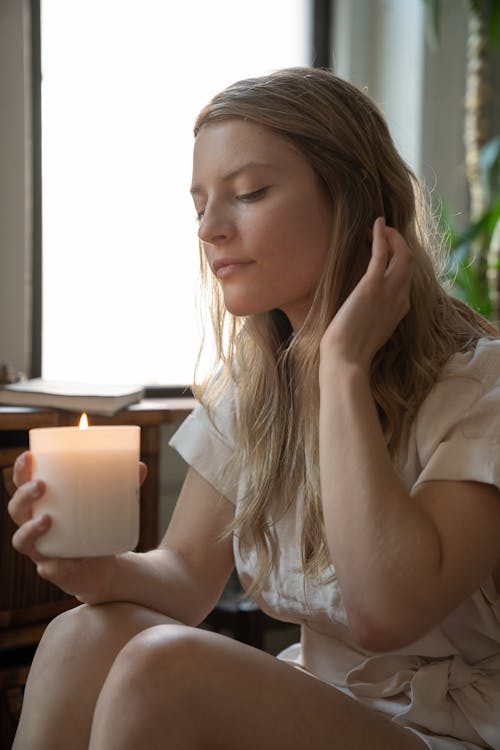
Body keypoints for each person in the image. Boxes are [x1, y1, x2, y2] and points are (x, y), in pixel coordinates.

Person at [8, 67, 500, 750]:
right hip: (326, 705)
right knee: (81, 634)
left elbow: (386, 614)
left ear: (357, 200)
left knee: (163, 668)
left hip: (453, 733)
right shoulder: (257, 385)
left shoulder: (481, 391)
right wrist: (102, 570)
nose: (210, 229)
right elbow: (184, 577)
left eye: (249, 193)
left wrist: (342, 368)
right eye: (199, 205)